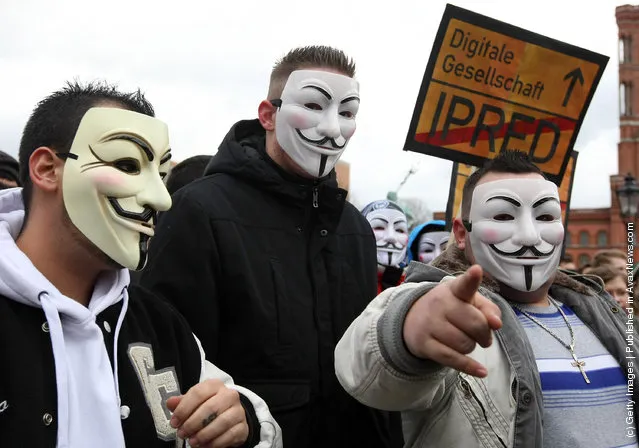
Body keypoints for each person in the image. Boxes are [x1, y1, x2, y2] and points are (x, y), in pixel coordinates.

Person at [140, 45, 400, 447]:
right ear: (268, 114)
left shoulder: (354, 229)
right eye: (314, 105)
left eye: (347, 113)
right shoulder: (201, 212)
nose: (333, 128)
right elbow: (164, 358)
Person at [0, 81, 281, 447]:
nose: (160, 199)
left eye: (161, 175)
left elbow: (250, 423)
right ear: (47, 169)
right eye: (128, 165)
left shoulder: (159, 326)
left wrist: (240, 421)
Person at [335, 150, 637, 447]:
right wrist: (408, 329)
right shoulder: (453, 308)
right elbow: (365, 365)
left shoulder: (601, 309)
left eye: (545, 215)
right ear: (462, 233)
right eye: (504, 216)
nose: (530, 236)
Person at [361, 199, 409, 293]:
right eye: (379, 227)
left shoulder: (413, 286)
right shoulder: (343, 281)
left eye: (399, 230)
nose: (391, 237)